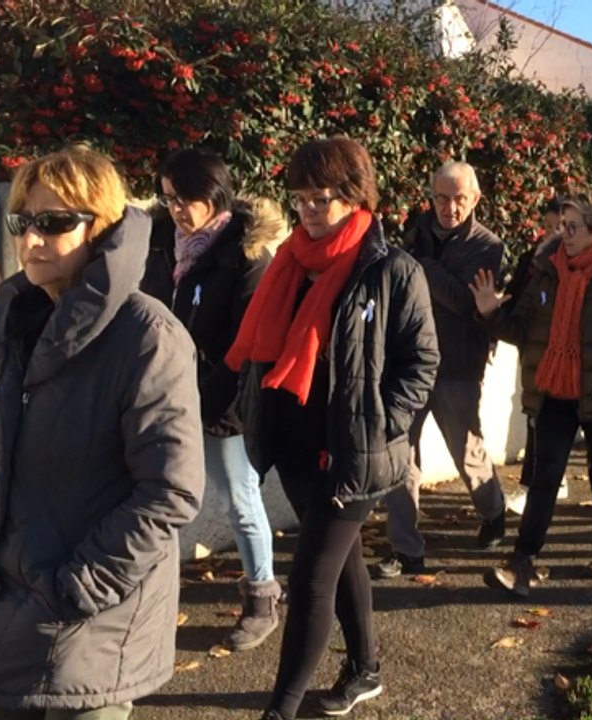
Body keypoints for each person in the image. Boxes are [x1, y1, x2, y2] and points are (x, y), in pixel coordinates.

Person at [0, 146, 205, 720]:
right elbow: (5, 454)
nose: (32, 239)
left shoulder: (147, 336)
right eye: (25, 222)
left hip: (94, 611)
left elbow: (170, 491)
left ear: (99, 228)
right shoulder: (21, 318)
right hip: (12, 591)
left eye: (55, 222)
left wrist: (82, 585)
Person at [229, 138, 437, 719]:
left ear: (354, 195)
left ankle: (281, 709)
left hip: (353, 453)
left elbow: (420, 365)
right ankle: (366, 668)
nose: (309, 213)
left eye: (321, 199)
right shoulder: (289, 265)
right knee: (341, 564)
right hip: (294, 446)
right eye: (299, 200)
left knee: (312, 578)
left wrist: (378, 426)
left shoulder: (392, 269)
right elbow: (262, 356)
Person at [471, 191, 592, 597]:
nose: (564, 233)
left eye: (573, 226)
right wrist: (490, 312)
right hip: (555, 389)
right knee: (544, 477)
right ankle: (522, 562)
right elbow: (523, 331)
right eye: (562, 225)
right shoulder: (545, 269)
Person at [140, 148, 289, 651]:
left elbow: (245, 348)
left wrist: (203, 403)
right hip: (163, 397)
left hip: (221, 405)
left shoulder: (246, 257)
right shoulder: (162, 245)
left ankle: (263, 597)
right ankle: (145, 600)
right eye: (169, 199)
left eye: (187, 199)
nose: (178, 210)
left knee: (239, 500)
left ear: (215, 196)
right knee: (155, 497)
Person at [374, 161, 506, 579]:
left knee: (466, 452)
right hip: (407, 362)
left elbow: (464, 302)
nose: (449, 207)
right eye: (441, 198)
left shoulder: (488, 246)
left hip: (457, 365)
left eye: (459, 199)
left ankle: (494, 511)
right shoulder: (416, 234)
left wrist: (421, 265)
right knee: (400, 455)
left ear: (475, 199)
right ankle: (406, 549)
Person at [504, 199, 571, 516]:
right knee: (534, 415)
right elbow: (515, 301)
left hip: (563, 353)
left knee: (547, 417)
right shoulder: (532, 259)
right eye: (547, 226)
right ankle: (543, 480)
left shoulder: (577, 263)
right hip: (532, 348)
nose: (552, 233)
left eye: (560, 226)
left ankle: (542, 482)